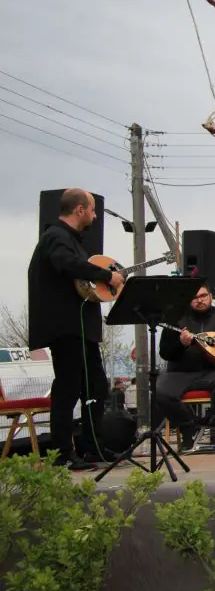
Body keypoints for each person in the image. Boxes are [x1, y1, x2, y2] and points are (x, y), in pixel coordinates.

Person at [27, 188, 124, 469]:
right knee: (68, 388)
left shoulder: (71, 240)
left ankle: (93, 447)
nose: (95, 216)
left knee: (95, 386)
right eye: (92, 210)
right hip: (65, 327)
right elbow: (68, 264)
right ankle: (62, 454)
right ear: (79, 209)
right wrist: (107, 276)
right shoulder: (55, 236)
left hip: (81, 327)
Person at [156, 284, 215, 452]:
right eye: (194, 297)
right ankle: (189, 429)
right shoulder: (176, 319)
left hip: (214, 371)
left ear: (210, 296)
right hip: (181, 373)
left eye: (203, 296)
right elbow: (165, 352)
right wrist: (180, 344)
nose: (199, 300)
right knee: (161, 391)